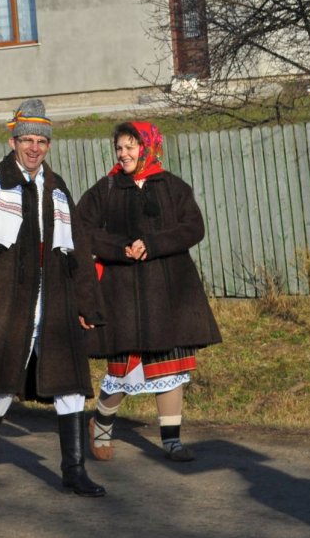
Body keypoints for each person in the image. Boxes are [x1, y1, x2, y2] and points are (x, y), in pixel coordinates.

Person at [0, 99, 106, 497]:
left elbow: (77, 249)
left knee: (69, 385)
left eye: (40, 141)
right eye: (26, 139)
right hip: (7, 304)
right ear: (12, 141)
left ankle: (73, 470)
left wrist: (88, 305)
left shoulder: (58, 188)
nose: (33, 148)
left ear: (48, 145)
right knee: (2, 384)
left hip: (54, 301)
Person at [76, 121, 221, 463]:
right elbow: (81, 229)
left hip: (167, 293)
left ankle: (172, 441)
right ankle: (100, 426)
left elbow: (193, 227)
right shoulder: (106, 189)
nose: (123, 154)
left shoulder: (172, 187)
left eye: (130, 146)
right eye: (119, 148)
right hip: (122, 294)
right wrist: (119, 247)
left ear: (147, 147)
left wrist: (154, 243)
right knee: (123, 371)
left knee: (170, 367)